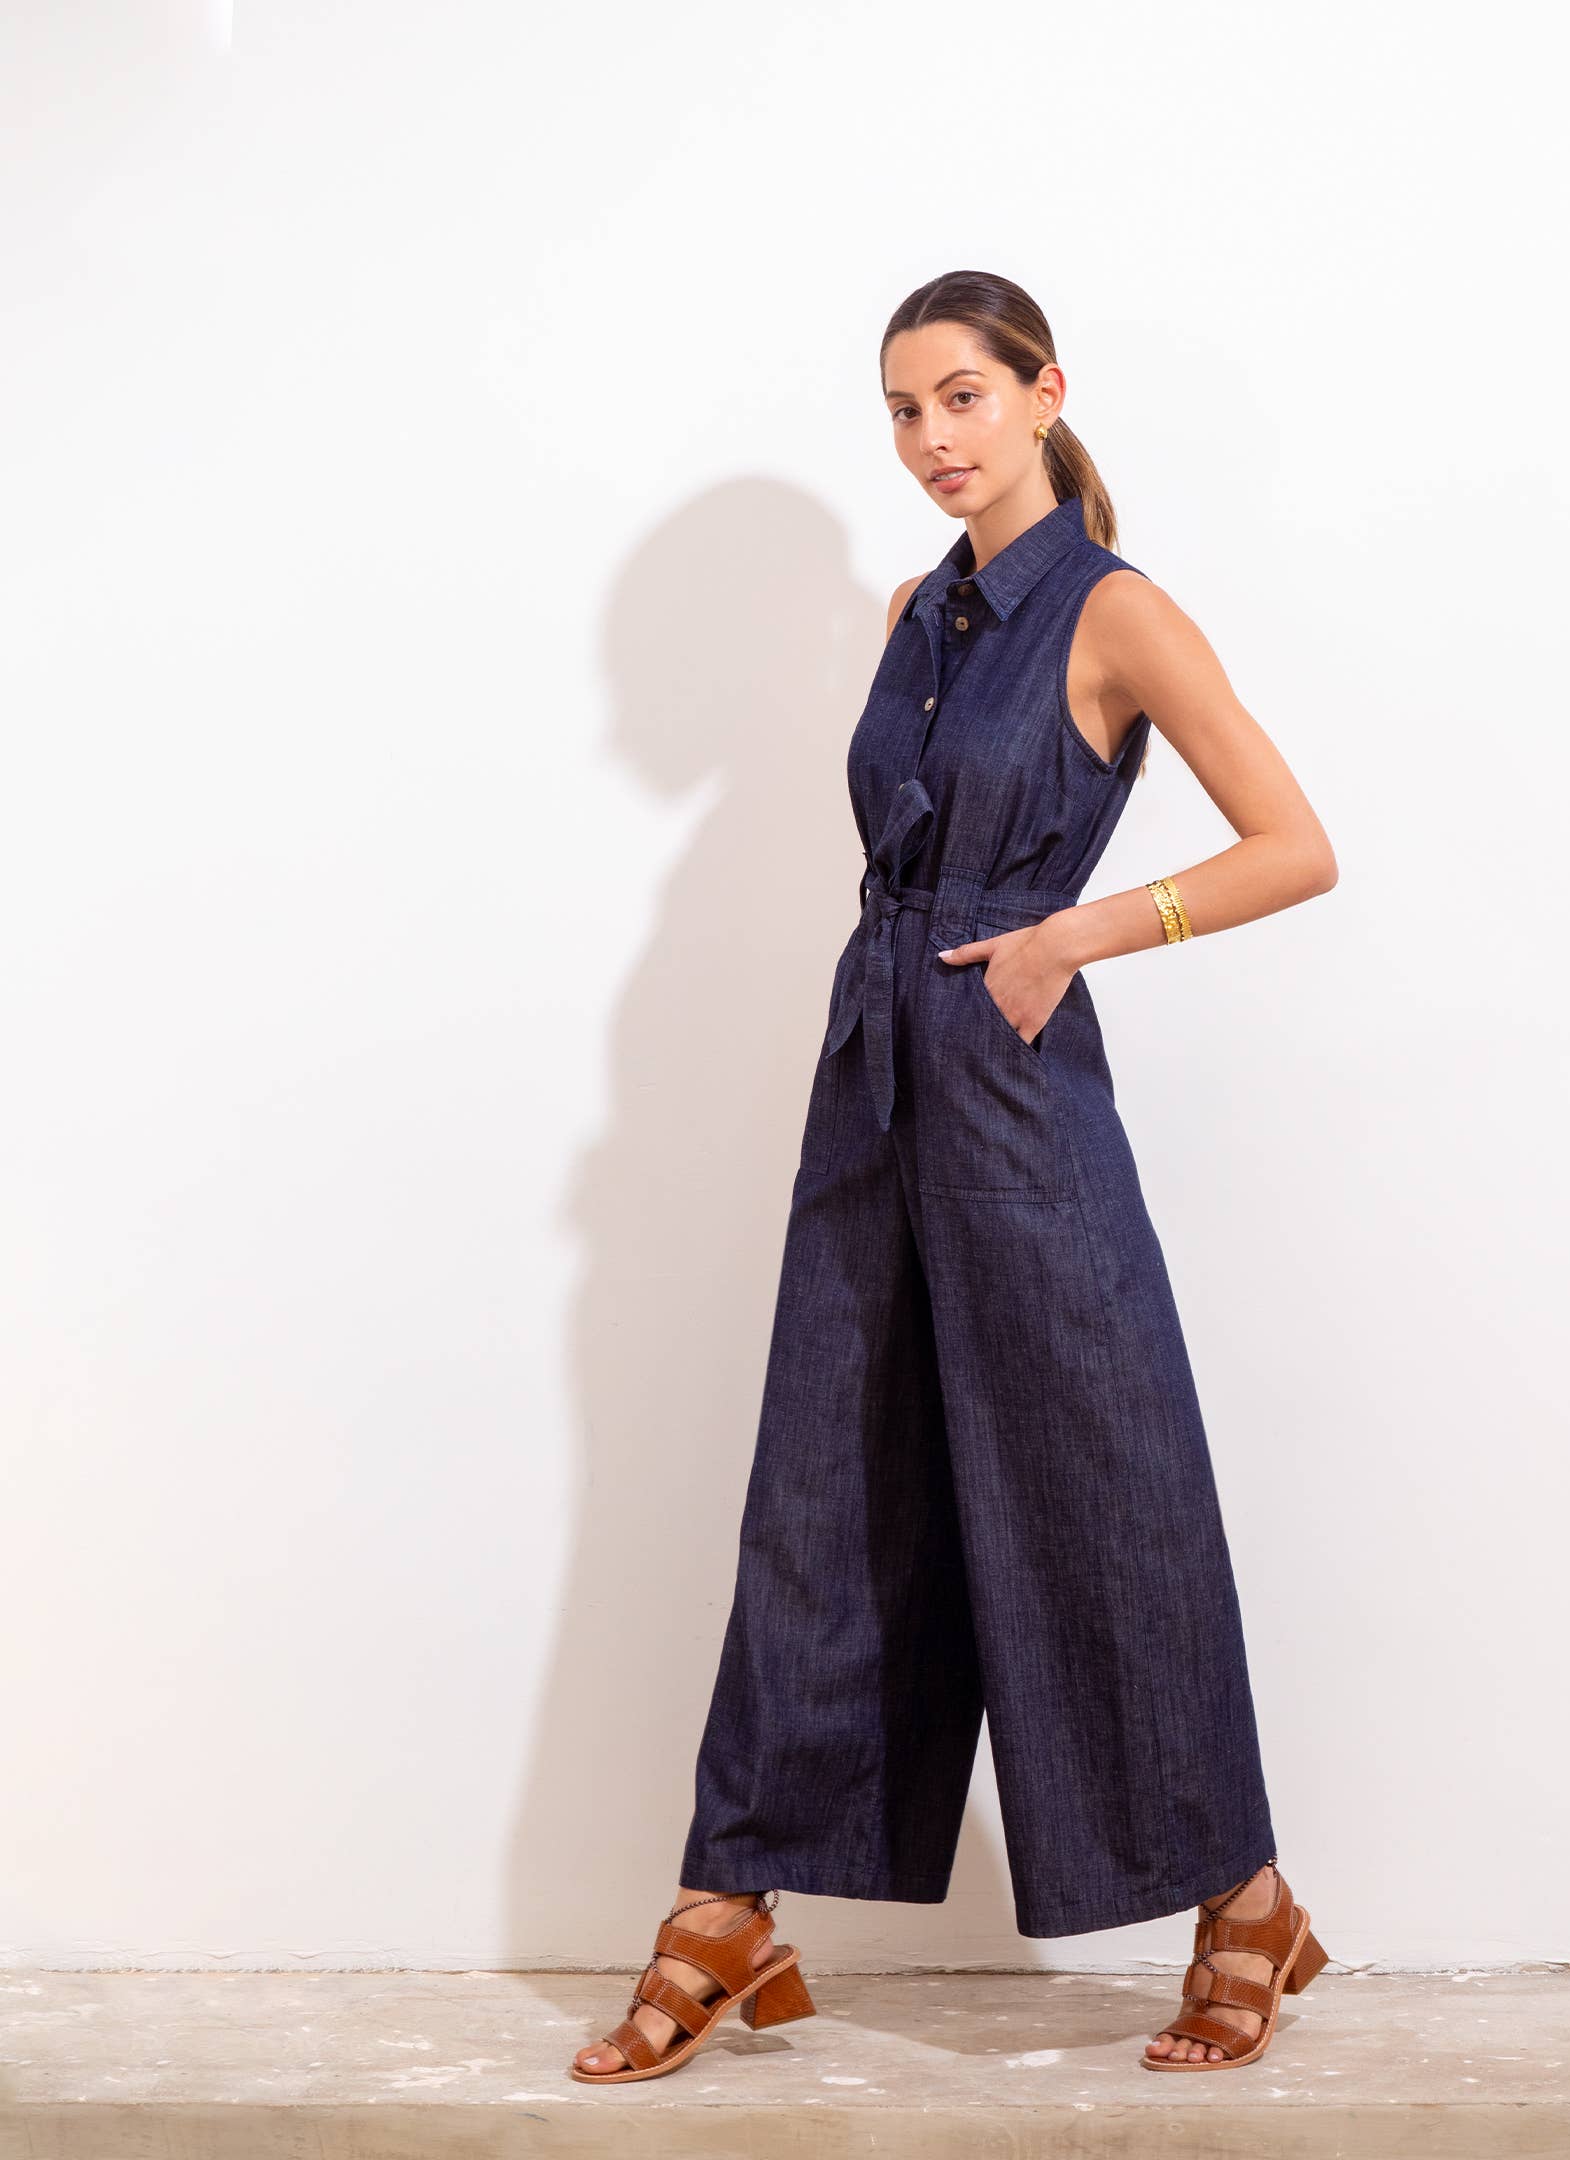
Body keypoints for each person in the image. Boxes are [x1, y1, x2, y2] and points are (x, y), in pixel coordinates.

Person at [571, 269, 1339, 2086]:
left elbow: (1294, 846)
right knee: (827, 1485)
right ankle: (731, 1899)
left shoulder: (1116, 609)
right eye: (905, 411)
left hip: (1014, 1085)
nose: (932, 439)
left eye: (965, 397)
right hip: (872, 1079)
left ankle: (1243, 1901)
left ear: (1045, 393)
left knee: (1099, 1486)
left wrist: (1075, 934)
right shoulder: (922, 611)